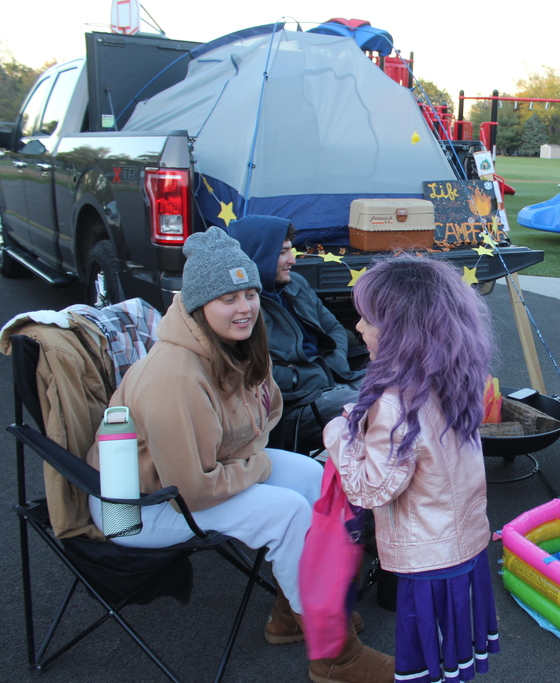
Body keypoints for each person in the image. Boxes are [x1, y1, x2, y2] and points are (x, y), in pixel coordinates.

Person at [82, 228, 355, 667]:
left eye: (249, 293)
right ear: (199, 303)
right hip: (138, 505)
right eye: (228, 298)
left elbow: (268, 413)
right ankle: (332, 652)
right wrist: (255, 467)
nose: (245, 308)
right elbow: (189, 493)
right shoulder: (173, 377)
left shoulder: (240, 344)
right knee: (287, 513)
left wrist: (247, 458)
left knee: (314, 478)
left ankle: (292, 613)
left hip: (212, 471)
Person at [323, 256, 500, 683]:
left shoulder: (393, 402)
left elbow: (370, 490)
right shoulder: (455, 375)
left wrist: (338, 434)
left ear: (401, 330)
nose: (358, 328)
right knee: (451, 651)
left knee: (426, 659)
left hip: (427, 559)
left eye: (367, 320)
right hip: (464, 544)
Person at [228, 215, 363, 451]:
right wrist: (310, 376)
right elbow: (251, 373)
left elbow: (333, 329)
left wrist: (334, 362)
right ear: (258, 254)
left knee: (409, 379)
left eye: (292, 251)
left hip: (335, 379)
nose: (293, 260)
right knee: (377, 405)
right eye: (282, 253)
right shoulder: (243, 309)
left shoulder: (295, 284)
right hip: (293, 407)